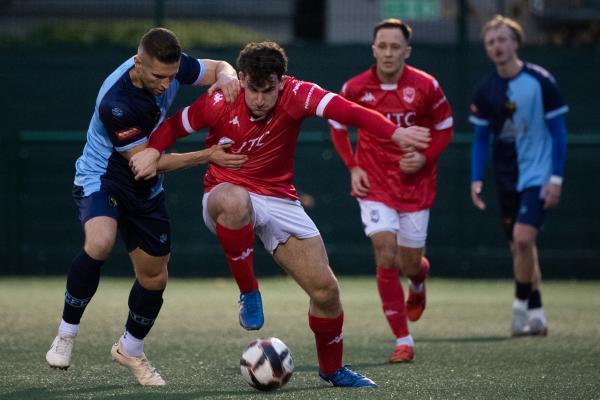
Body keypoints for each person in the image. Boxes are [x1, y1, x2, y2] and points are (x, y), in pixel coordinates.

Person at [130, 41, 431, 387]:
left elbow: (350, 112)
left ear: (281, 81)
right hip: (224, 192)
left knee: (326, 292)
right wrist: (152, 152)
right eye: (253, 89)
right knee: (235, 200)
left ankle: (332, 369)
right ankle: (249, 292)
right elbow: (172, 128)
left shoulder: (299, 94)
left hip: (279, 198)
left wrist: (397, 132)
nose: (259, 99)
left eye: (268, 90)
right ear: (241, 79)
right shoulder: (219, 100)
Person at [45, 27, 246, 386]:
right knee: (100, 242)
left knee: (154, 277)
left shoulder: (171, 68)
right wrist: (209, 156)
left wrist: (228, 78)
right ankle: (66, 332)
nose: (165, 84)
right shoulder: (117, 102)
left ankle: (131, 350)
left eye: (171, 77)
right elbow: (145, 162)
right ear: (138, 63)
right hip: (104, 177)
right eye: (158, 76)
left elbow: (217, 68)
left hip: (146, 190)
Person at [328, 19, 453, 363]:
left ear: (407, 51)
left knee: (409, 263)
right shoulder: (354, 88)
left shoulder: (427, 86)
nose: (387, 53)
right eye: (382, 46)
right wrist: (353, 166)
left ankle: (418, 279)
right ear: (373, 49)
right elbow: (337, 124)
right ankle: (404, 340)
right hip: (374, 182)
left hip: (415, 184)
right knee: (386, 254)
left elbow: (445, 127)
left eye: (395, 47)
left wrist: (425, 157)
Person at [469, 15, 568, 336]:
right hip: (506, 175)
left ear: (516, 42)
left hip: (538, 174)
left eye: (502, 39)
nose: (497, 46)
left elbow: (559, 133)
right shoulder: (486, 90)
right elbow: (482, 138)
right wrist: (476, 178)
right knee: (519, 248)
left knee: (523, 240)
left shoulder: (541, 81)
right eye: (490, 42)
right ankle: (537, 313)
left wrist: (556, 179)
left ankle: (519, 307)